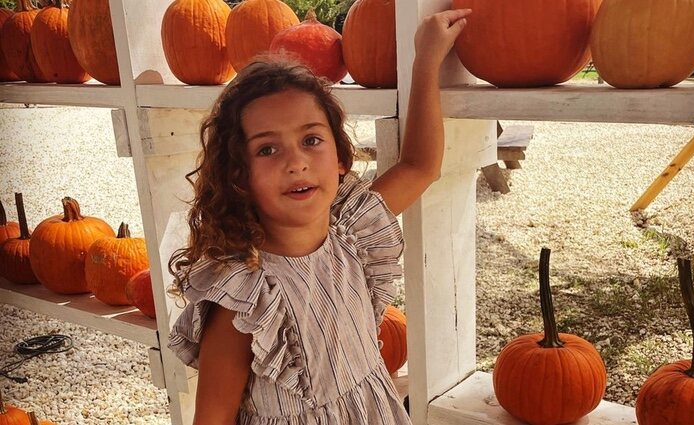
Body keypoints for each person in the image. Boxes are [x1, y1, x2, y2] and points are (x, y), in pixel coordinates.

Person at [167, 8, 472, 425]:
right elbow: (211, 420)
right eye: (267, 149)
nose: (296, 162)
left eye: (311, 139)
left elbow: (420, 166)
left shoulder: (353, 232)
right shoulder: (248, 299)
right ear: (239, 174)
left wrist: (425, 61)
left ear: (341, 158)